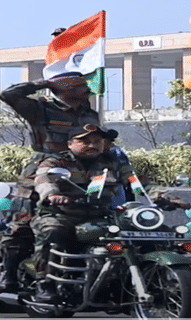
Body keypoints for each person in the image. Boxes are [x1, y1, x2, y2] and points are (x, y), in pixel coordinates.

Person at [0, 71, 101, 292]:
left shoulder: (90, 114)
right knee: (20, 225)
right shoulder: (40, 108)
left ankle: (70, 273)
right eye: (80, 85)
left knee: (76, 224)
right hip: (41, 172)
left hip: (81, 172)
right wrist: (46, 84)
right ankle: (8, 274)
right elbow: (8, 95)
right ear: (65, 87)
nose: (87, 90)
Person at [28, 124, 128, 302]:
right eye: (84, 141)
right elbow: (43, 178)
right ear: (69, 144)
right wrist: (53, 194)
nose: (92, 145)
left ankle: (125, 282)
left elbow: (137, 182)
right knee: (54, 231)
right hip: (60, 214)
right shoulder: (56, 161)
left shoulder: (112, 163)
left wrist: (163, 196)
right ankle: (45, 282)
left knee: (133, 234)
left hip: (99, 216)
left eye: (97, 141)